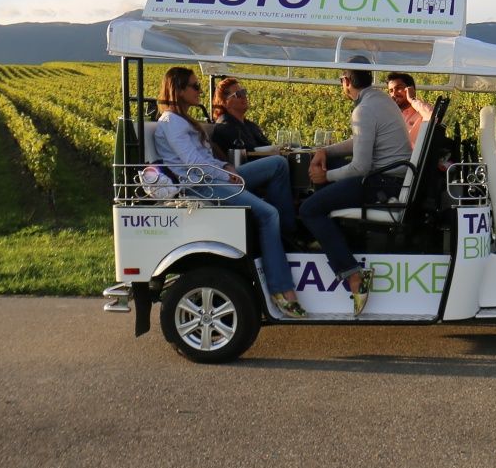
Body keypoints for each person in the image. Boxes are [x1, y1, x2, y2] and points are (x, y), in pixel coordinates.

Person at [154, 66, 307, 318]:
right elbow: (195, 164)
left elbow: (204, 160)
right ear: (178, 90)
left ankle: (286, 234)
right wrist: (228, 175)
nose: (200, 91)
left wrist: (226, 167)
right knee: (268, 214)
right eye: (195, 86)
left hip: (214, 175)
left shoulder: (183, 120)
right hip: (202, 186)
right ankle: (281, 290)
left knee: (279, 165)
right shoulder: (171, 123)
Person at [300, 63, 410, 315]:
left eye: (341, 79)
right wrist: (325, 152)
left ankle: (352, 275)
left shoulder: (364, 110)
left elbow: (360, 167)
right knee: (334, 170)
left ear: (347, 81)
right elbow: (360, 141)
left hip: (381, 183)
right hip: (391, 178)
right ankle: (332, 239)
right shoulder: (380, 100)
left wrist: (324, 176)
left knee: (309, 209)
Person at [209, 76, 272, 157]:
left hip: (264, 162)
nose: (244, 96)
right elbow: (247, 152)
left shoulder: (250, 125)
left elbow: (267, 145)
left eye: (244, 92)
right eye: (238, 94)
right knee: (280, 162)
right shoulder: (225, 126)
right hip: (243, 167)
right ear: (225, 102)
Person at [386, 72, 433, 147]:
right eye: (391, 91)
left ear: (410, 89)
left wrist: (412, 99)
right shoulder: (389, 116)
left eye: (398, 88)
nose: (394, 94)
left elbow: (434, 117)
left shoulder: (421, 112)